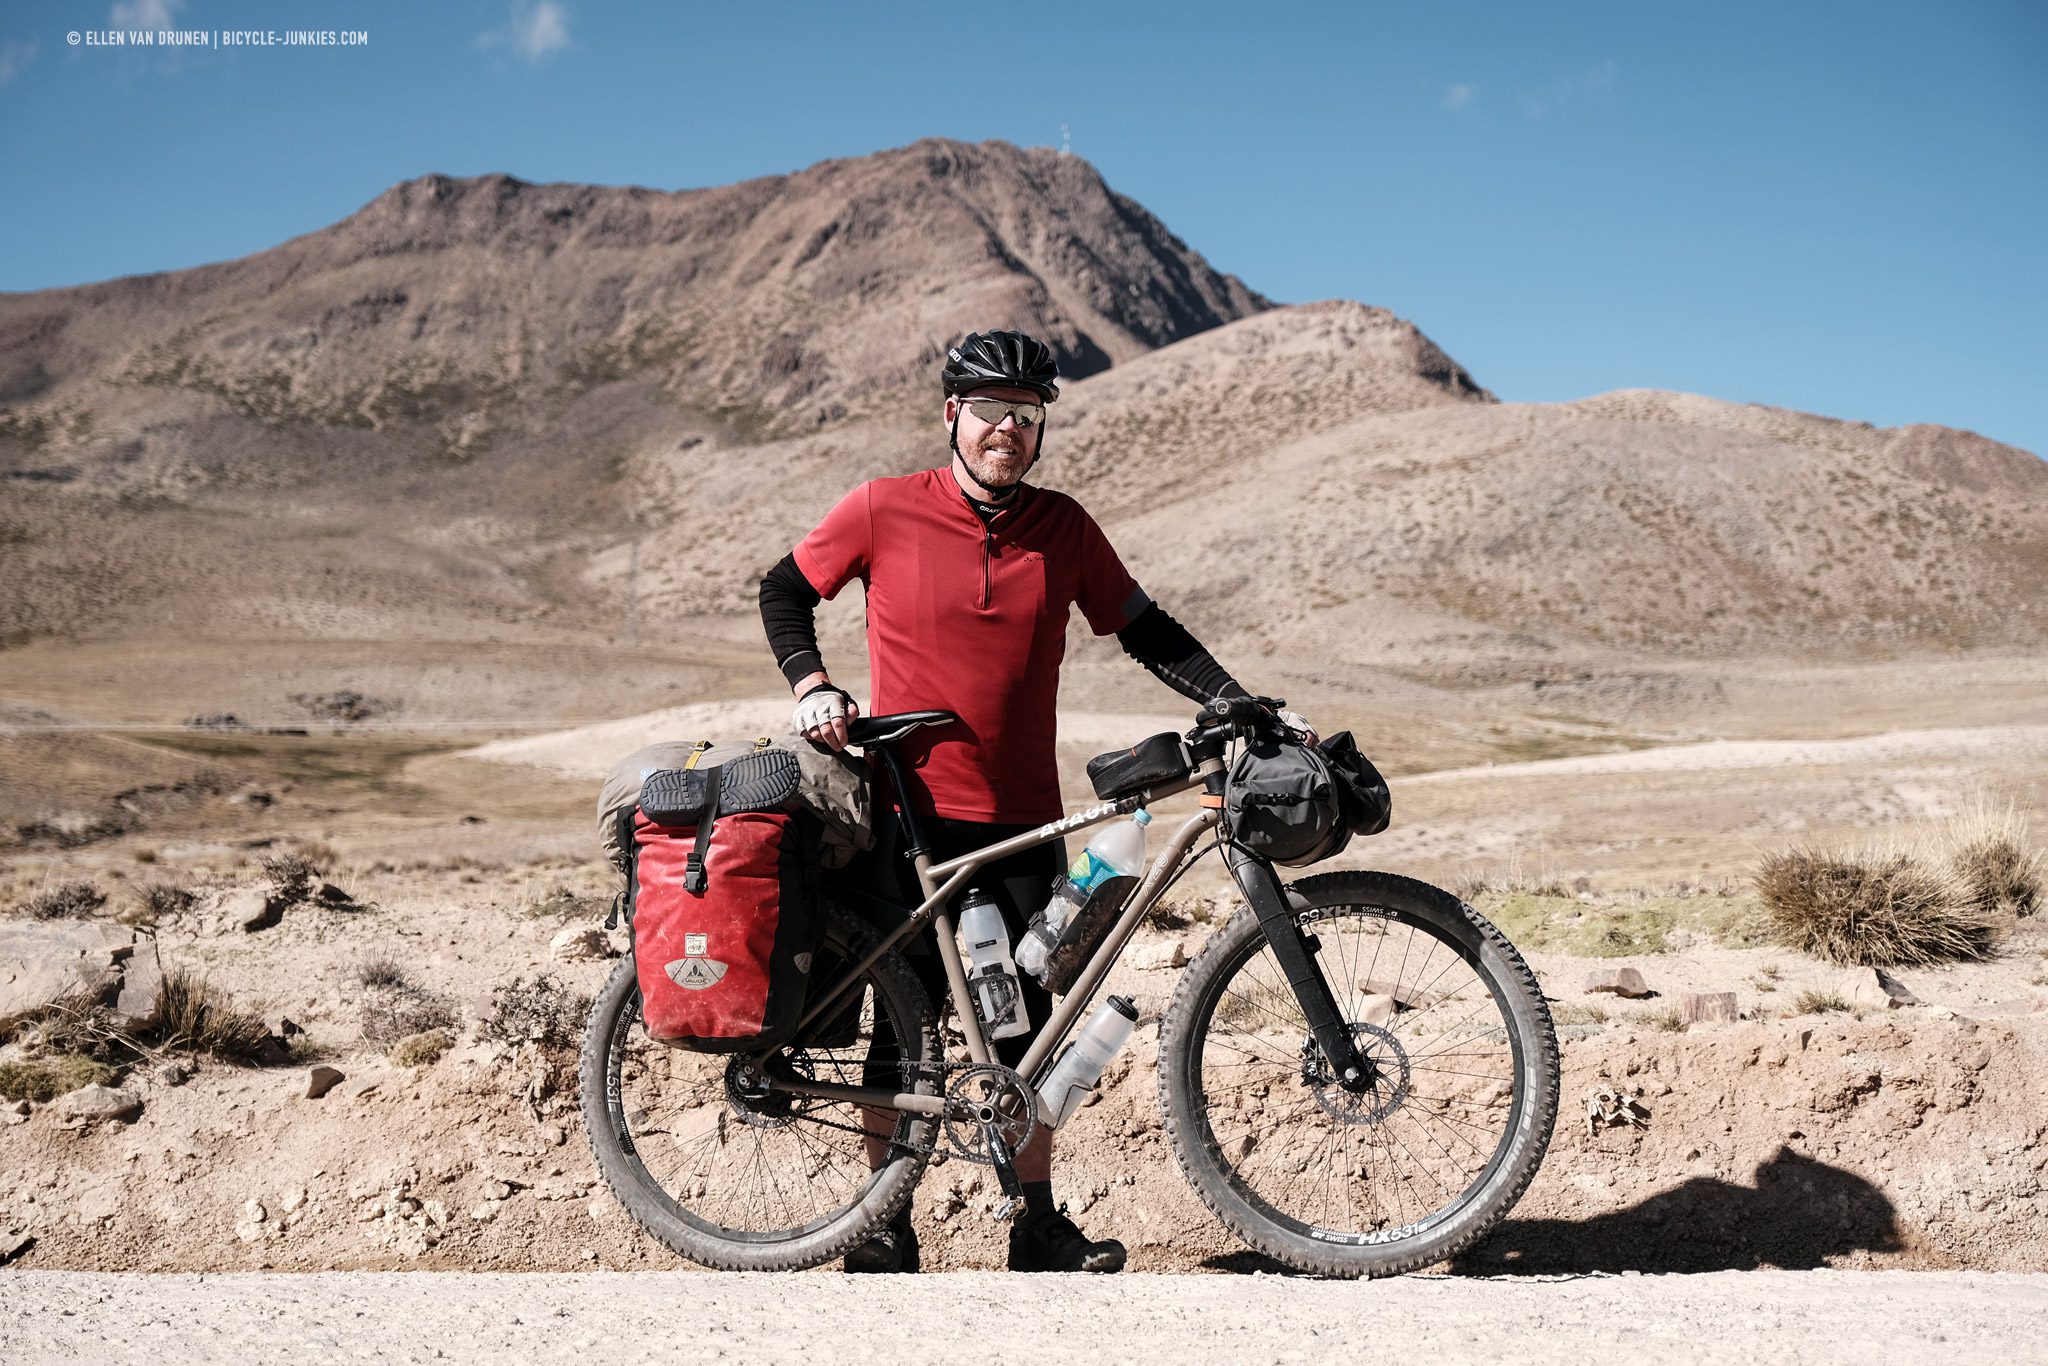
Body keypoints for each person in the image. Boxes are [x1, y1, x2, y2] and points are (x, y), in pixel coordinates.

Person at [758, 329, 1287, 1274]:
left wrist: (1227, 696)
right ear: (953, 417)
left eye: (1028, 414)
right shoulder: (884, 509)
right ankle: (882, 1223)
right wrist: (813, 686)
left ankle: (1035, 1223)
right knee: (905, 1023)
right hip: (909, 813)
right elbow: (785, 591)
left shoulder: (1063, 527)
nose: (1009, 429)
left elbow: (1142, 625)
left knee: (1031, 1028)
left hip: (1024, 818)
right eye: (991, 411)